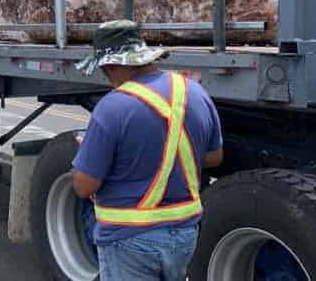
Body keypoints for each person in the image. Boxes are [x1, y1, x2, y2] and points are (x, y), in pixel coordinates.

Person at [71, 20, 223, 281]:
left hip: (129, 239)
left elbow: (84, 186)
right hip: (184, 235)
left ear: (111, 65)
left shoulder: (112, 107)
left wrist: (90, 152)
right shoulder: (194, 91)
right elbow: (213, 158)